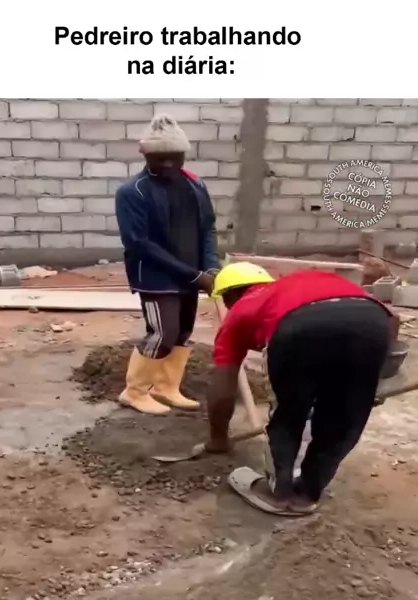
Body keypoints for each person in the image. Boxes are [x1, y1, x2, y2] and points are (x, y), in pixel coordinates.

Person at [204, 261, 398, 515]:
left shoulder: (241, 310)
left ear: (231, 295)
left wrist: (218, 438)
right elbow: (392, 319)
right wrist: (372, 380)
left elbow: (223, 384)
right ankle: (308, 493)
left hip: (299, 326)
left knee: (289, 413)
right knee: (344, 416)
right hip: (371, 322)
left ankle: (279, 493)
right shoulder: (309, 280)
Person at [115, 113, 221, 416]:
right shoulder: (132, 192)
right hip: (155, 276)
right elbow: (140, 244)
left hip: (192, 273)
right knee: (163, 333)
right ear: (144, 154)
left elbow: (208, 228)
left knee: (183, 332)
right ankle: (134, 392)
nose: (168, 164)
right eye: (159, 158)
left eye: (175, 157)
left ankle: (165, 387)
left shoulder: (195, 185)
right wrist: (194, 275)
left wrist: (210, 268)